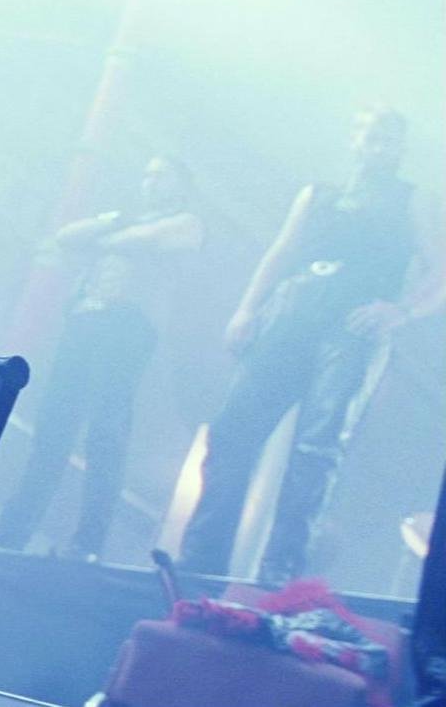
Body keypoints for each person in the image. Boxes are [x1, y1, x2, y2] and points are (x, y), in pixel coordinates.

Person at [181, 107, 445, 583]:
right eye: (370, 135)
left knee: (315, 448)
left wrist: (401, 311)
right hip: (292, 314)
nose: (377, 145)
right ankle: (200, 561)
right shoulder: (318, 194)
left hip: (351, 327)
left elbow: (441, 268)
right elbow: (281, 252)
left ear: (401, 148)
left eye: (387, 138)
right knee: (232, 431)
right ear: (354, 139)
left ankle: (279, 573)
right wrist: (247, 309)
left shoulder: (412, 200)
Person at [0, 156, 204, 560]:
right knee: (53, 431)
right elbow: (68, 235)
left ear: (181, 185)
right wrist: (117, 227)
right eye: (148, 174)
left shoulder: (186, 222)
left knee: (106, 433)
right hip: (84, 323)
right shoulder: (122, 218)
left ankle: (88, 543)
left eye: (161, 175)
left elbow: (153, 240)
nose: (150, 182)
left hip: (128, 328)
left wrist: (112, 236)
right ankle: (10, 534)